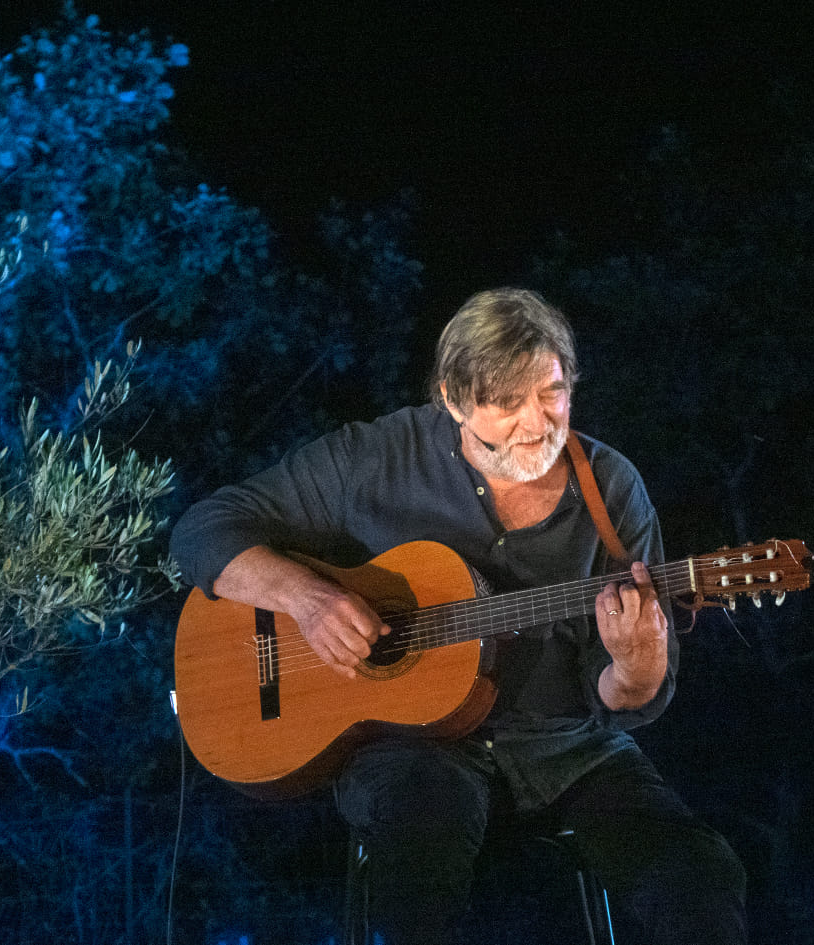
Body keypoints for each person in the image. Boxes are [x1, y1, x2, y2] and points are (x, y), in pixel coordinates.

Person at [170, 287, 747, 944]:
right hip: (412, 749)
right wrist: (308, 598)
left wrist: (636, 661)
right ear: (450, 398)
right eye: (506, 402)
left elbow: (625, 698)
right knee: (420, 858)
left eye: (551, 392)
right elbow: (202, 529)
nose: (537, 422)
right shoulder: (374, 459)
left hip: (567, 748)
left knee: (698, 875)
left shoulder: (611, 488)